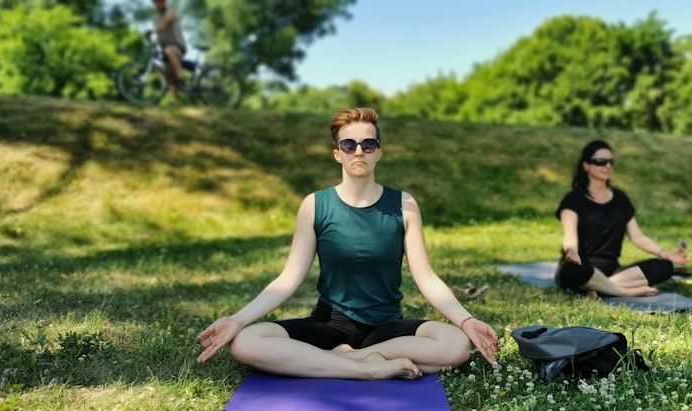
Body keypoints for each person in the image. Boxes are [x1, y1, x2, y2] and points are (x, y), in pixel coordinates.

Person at [195, 108, 500, 380]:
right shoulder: (315, 205)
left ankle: (344, 360)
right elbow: (289, 278)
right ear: (337, 153)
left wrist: (467, 320)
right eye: (348, 144)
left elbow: (427, 278)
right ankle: (362, 367)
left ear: (378, 152)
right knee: (246, 342)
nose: (359, 152)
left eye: (368, 144)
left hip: (386, 328)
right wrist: (238, 319)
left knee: (458, 345)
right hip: (330, 325)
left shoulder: (403, 204)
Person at [555, 139, 689, 298]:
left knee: (664, 267)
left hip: (613, 271)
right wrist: (572, 252)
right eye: (600, 161)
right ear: (586, 165)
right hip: (583, 267)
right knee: (573, 271)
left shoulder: (620, 199)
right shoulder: (573, 199)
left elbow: (637, 237)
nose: (607, 166)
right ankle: (622, 291)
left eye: (610, 162)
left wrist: (666, 254)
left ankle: (599, 288)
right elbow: (570, 235)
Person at [150, 0, 186, 103]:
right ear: (153, 3)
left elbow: (165, 23)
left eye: (161, 1)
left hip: (178, 46)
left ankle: (180, 77)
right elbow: (160, 30)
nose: (159, 3)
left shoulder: (171, 11)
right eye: (157, 1)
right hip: (164, 47)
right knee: (168, 72)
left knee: (169, 50)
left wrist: (152, 31)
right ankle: (175, 102)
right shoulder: (155, 16)